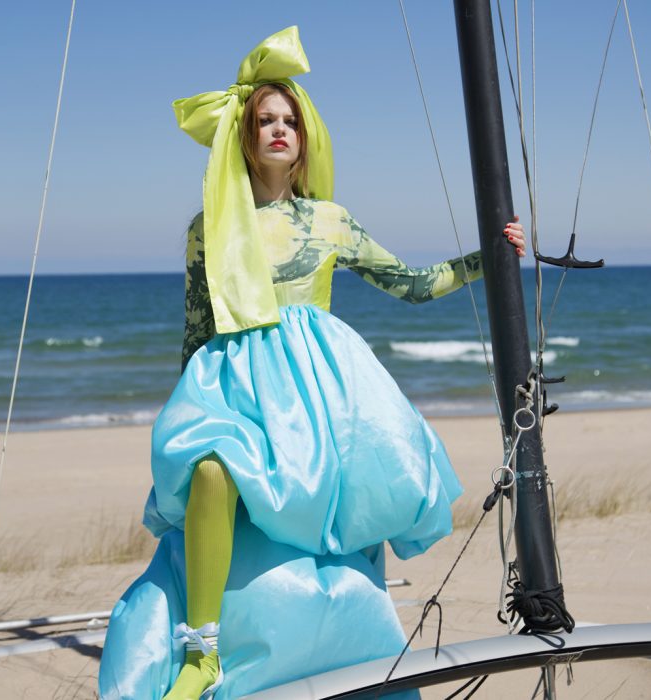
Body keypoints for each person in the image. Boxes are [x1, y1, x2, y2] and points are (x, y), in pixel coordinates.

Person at [98, 26, 525, 700]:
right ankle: (202, 653)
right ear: (244, 135)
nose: (279, 130)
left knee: (330, 536)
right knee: (208, 471)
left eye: (290, 121)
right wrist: (182, 410)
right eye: (265, 120)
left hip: (319, 389)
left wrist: (490, 257)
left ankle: (342, 658)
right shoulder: (207, 227)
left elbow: (413, 285)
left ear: (306, 137)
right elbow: (196, 328)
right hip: (235, 379)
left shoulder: (330, 220)